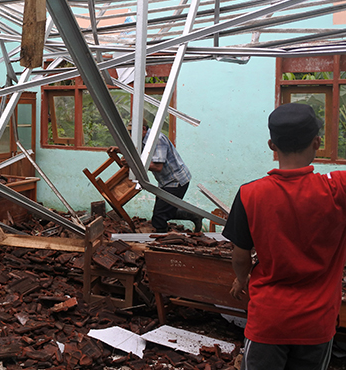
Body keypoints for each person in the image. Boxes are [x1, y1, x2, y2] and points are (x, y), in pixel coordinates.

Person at [223, 103, 346, 369]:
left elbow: (240, 256)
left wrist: (241, 279)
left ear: (271, 145)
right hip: (318, 322)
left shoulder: (250, 194)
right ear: (317, 143)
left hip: (269, 320)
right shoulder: (338, 189)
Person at [110, 123, 203, 233]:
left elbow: (158, 167)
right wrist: (120, 150)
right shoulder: (144, 139)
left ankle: (162, 242)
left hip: (175, 181)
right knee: (165, 210)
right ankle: (194, 216)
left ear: (143, 129)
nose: (131, 136)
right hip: (166, 181)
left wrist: (133, 163)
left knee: (159, 216)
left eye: (132, 132)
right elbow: (140, 153)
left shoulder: (157, 139)